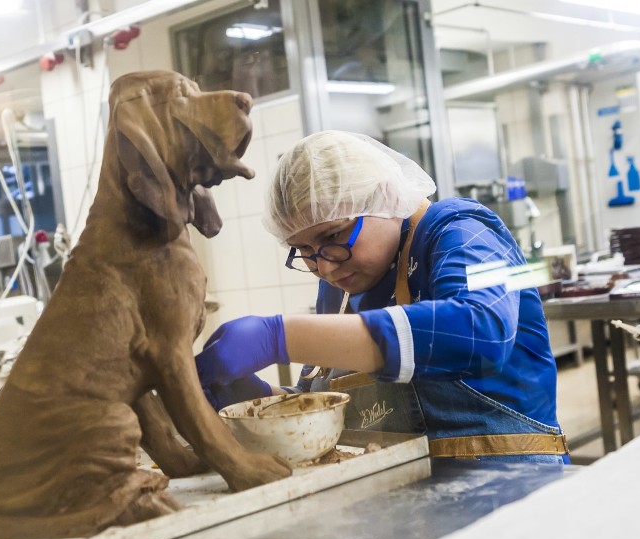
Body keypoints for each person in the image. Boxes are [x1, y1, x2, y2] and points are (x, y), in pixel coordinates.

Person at [195, 131, 569, 463]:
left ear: (386, 197)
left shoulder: (463, 233)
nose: (323, 267)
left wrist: (279, 338)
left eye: (333, 237)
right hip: (406, 499)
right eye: (303, 249)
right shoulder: (339, 285)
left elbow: (479, 333)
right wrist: (263, 399)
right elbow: (333, 403)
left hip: (512, 490)